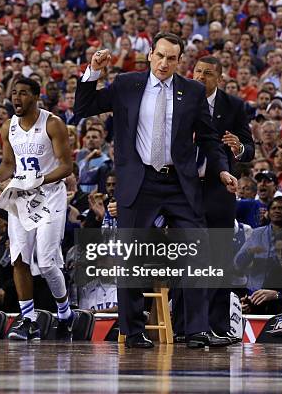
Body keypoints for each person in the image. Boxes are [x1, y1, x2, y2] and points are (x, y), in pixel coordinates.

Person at [75, 33, 236, 349]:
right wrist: (92, 71)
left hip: (180, 183)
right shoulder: (126, 84)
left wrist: (222, 169)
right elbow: (85, 106)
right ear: (149, 54)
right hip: (140, 181)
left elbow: (208, 138)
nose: (164, 63)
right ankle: (133, 331)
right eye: (160, 55)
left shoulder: (191, 91)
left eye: (171, 58)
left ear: (180, 61)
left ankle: (196, 330)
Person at [0, 77, 74, 340]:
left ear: (36, 96)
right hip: (22, 198)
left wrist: (40, 179)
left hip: (50, 197)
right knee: (20, 259)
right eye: (14, 93)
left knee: (46, 262)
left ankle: (65, 312)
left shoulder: (53, 124)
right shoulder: (8, 127)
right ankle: (28, 320)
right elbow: (8, 162)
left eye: (23, 93)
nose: (17, 98)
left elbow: (67, 167)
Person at [192, 56, 255, 342]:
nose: (200, 76)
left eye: (207, 73)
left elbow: (250, 148)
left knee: (218, 258)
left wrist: (239, 147)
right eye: (197, 71)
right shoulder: (178, 99)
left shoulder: (234, 106)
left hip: (220, 190)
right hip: (184, 188)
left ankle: (217, 325)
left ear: (219, 78)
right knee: (186, 258)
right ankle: (185, 326)